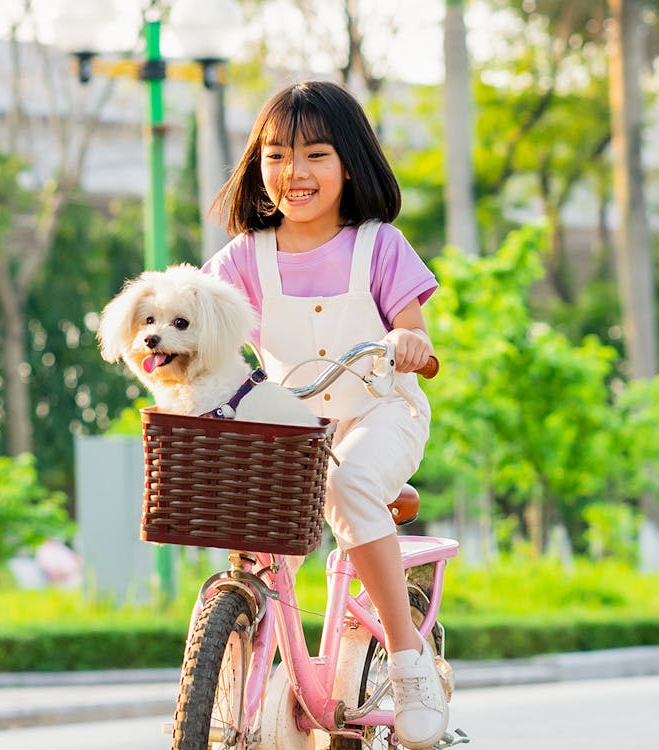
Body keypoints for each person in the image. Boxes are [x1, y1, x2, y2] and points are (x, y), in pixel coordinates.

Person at [203, 80, 447, 749]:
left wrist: (409, 341)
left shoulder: (378, 245)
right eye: (277, 155)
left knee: (344, 486)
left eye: (315, 154)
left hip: (381, 409)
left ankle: (407, 660)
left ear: (349, 164)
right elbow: (203, 325)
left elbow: (413, 329)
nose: (294, 173)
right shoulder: (244, 259)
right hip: (296, 429)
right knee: (259, 541)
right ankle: (239, 683)